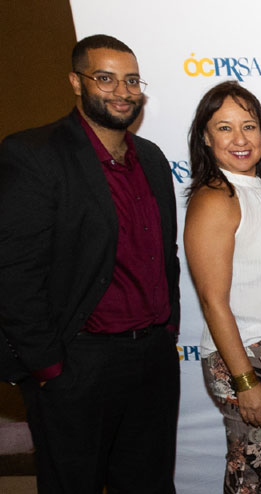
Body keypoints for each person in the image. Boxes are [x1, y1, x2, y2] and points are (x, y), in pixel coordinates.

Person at [0, 34, 181, 493]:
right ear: (76, 83)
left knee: (149, 484)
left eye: (132, 81)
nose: (122, 92)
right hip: (79, 363)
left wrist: (168, 331)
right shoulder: (34, 154)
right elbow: (15, 274)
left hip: (152, 361)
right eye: (106, 78)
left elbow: (166, 255)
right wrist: (48, 368)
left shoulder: (154, 160)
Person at [183, 81, 261, 493]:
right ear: (205, 136)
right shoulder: (215, 197)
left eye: (249, 126)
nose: (239, 139)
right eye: (224, 127)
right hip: (248, 357)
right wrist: (245, 381)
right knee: (249, 476)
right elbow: (212, 300)